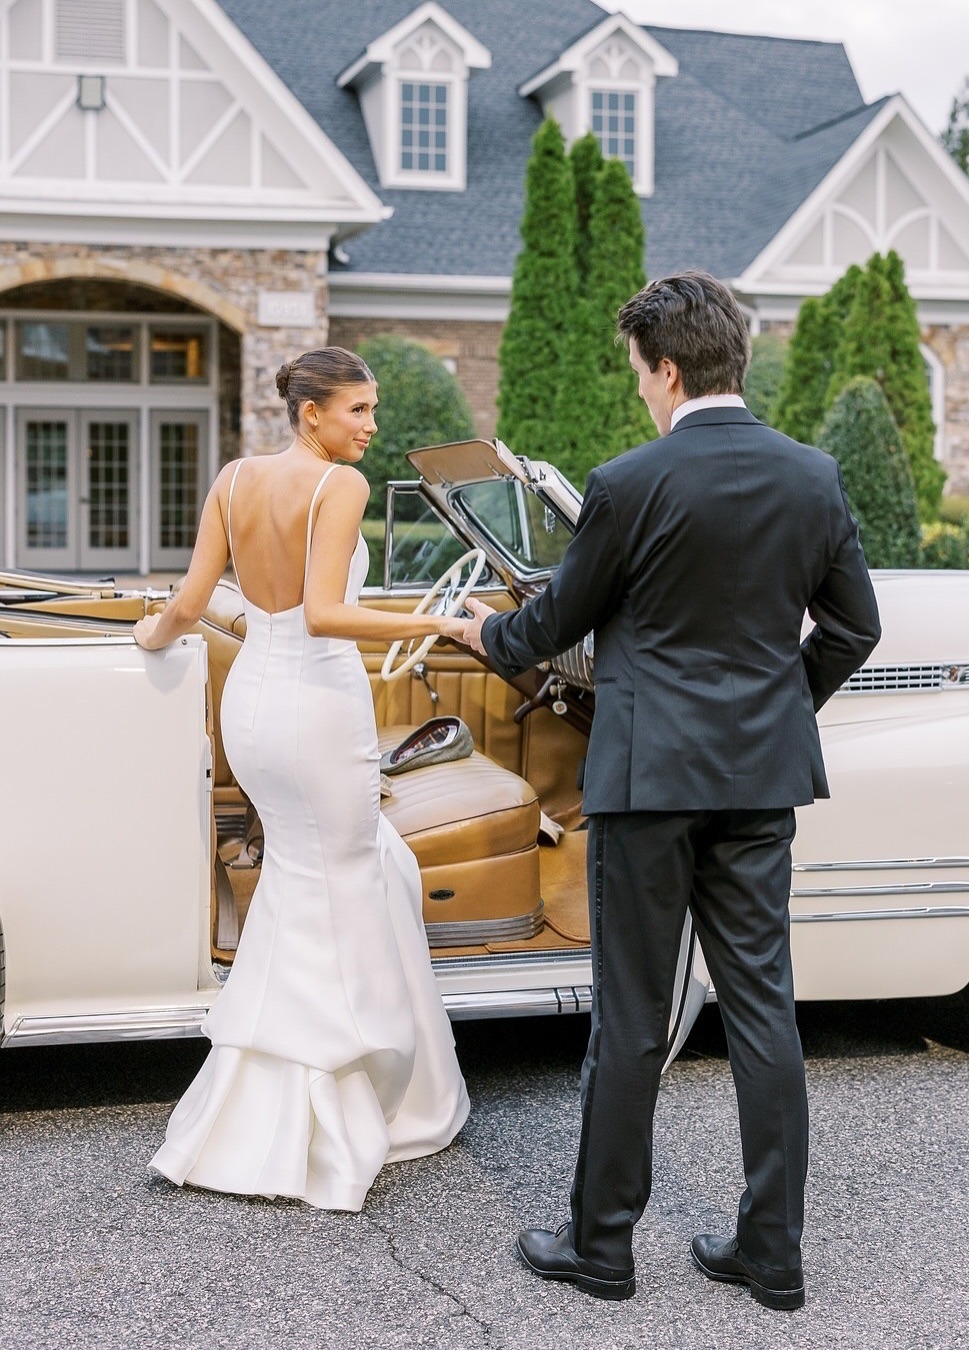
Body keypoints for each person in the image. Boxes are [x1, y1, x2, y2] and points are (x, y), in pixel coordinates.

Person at [463, 272, 881, 1308]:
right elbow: (853, 628)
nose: (642, 392)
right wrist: (780, 712)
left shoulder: (629, 481)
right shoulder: (813, 476)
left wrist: (478, 632)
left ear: (669, 367)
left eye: (641, 374)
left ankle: (601, 1248)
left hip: (648, 783)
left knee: (634, 1018)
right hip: (759, 782)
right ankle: (771, 1255)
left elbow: (550, 626)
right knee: (763, 1011)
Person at [135, 346, 470, 1211]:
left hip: (251, 705)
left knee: (306, 874)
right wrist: (441, 622)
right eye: (357, 410)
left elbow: (193, 598)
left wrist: (147, 641)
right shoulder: (339, 487)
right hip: (319, 705)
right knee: (348, 877)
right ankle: (344, 1106)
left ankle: (255, 1109)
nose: (370, 425)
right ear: (311, 412)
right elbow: (326, 612)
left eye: (372, 407)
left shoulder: (234, 479)